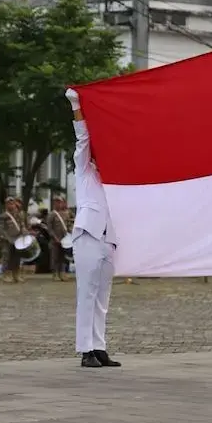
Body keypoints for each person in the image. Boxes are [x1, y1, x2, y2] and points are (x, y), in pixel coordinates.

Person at [65, 90, 121, 368]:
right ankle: (85, 349)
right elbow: (82, 140)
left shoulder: (114, 179)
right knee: (86, 293)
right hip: (88, 234)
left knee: (102, 297)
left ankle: (99, 346)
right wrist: (77, 106)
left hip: (109, 238)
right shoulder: (84, 171)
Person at [46, 196, 72, 282]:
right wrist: (55, 237)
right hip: (55, 240)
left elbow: (68, 226)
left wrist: (70, 234)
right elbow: (49, 228)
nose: (58, 204)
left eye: (60, 202)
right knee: (55, 257)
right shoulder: (51, 215)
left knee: (63, 257)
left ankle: (62, 273)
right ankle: (55, 273)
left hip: (64, 240)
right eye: (56, 202)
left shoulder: (65, 214)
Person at [0, 197, 25, 283]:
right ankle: (6, 275)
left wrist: (24, 232)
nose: (11, 205)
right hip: (7, 240)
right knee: (7, 257)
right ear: (6, 205)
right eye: (9, 203)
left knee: (16, 257)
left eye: (12, 203)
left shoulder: (19, 215)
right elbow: (1, 230)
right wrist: (8, 238)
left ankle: (16, 274)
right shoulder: (3, 216)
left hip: (17, 240)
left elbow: (22, 225)